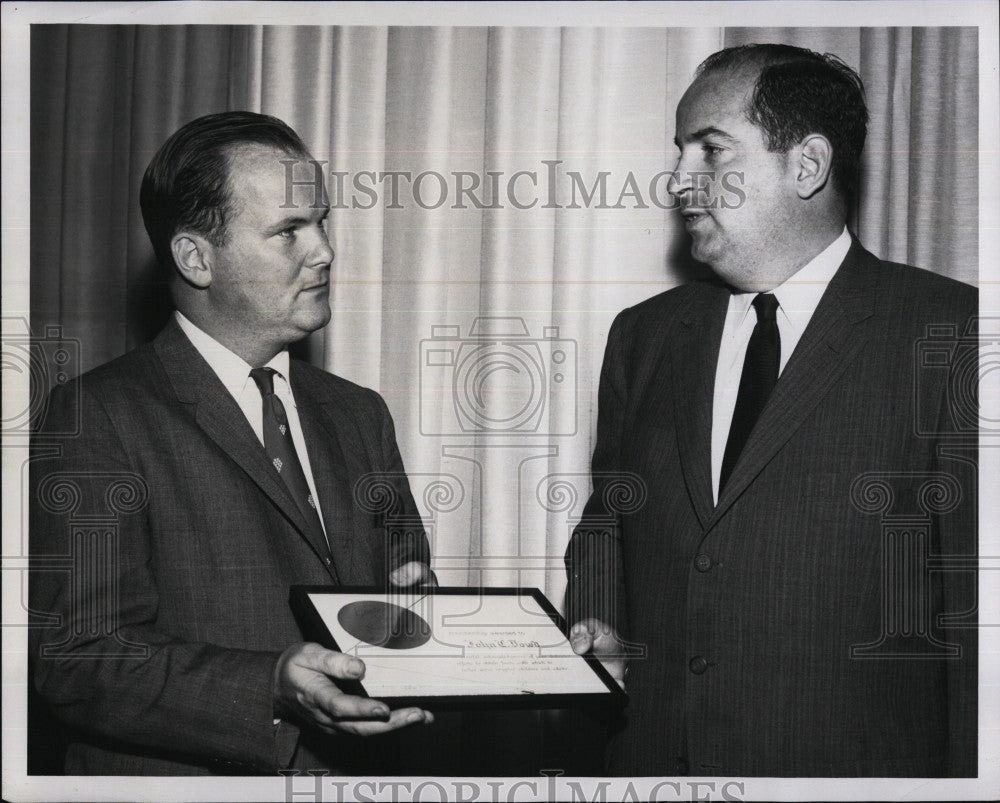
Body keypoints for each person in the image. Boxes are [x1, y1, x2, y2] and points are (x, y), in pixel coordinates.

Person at [565, 44, 978, 777]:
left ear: (807, 164)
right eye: (679, 152)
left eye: (710, 151)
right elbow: (608, 521)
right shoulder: (644, 335)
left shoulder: (951, 332)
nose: (678, 180)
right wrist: (600, 623)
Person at [29, 111, 435, 775]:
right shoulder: (98, 415)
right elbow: (77, 658)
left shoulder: (360, 414)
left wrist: (417, 621)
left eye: (322, 220)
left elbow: (400, 599)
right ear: (195, 258)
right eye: (289, 230)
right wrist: (269, 686)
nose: (325, 250)